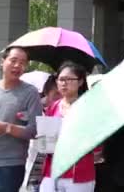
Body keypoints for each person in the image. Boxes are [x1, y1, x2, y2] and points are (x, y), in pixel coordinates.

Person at [0, 46, 43, 192]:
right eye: (13, 60)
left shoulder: (30, 93)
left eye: (22, 63)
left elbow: (34, 131)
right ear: (3, 62)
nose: (17, 66)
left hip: (11, 165)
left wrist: (6, 128)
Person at [39, 62, 95, 192]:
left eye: (69, 79)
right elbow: (44, 139)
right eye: (61, 79)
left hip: (79, 173)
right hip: (51, 172)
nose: (64, 83)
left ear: (80, 82)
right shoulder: (52, 107)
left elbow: (96, 142)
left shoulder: (90, 107)